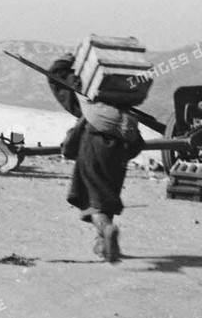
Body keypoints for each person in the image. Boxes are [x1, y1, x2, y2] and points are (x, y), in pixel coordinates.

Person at [48, 53, 144, 263]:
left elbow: (56, 79)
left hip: (93, 147)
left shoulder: (84, 97)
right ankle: (103, 245)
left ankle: (106, 229)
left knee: (91, 199)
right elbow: (138, 144)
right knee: (104, 198)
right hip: (119, 152)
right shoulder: (122, 105)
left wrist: (65, 61)